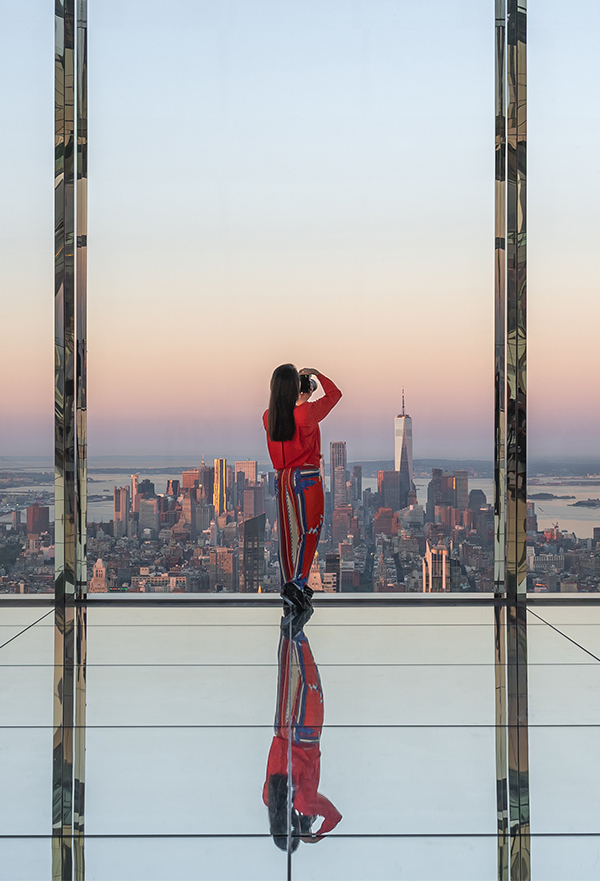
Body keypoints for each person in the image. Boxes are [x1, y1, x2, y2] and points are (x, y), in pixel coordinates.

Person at [263, 364, 341, 619]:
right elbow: (335, 395)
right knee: (310, 532)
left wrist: (298, 398)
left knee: (288, 535)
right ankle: (297, 583)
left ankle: (290, 583)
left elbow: (289, 418)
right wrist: (317, 374)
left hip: (282, 478)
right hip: (306, 477)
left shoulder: (269, 416)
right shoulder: (306, 413)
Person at [263, 627, 342, 851]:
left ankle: (297, 626)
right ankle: (289, 619)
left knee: (309, 676)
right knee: (290, 668)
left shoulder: (306, 804)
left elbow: (334, 816)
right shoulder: (269, 796)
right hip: (282, 730)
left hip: (306, 737)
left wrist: (316, 835)